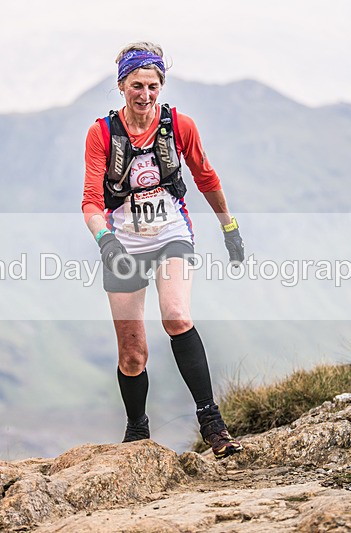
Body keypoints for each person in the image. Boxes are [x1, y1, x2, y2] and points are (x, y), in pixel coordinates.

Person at [81, 42, 245, 459]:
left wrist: (230, 229)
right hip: (122, 240)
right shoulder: (102, 133)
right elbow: (90, 201)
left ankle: (213, 424)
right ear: (121, 86)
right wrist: (107, 242)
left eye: (153, 85)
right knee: (133, 354)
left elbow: (206, 177)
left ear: (162, 85)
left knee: (176, 315)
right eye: (137, 85)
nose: (145, 95)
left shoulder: (179, 126)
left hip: (171, 232)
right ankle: (137, 433)